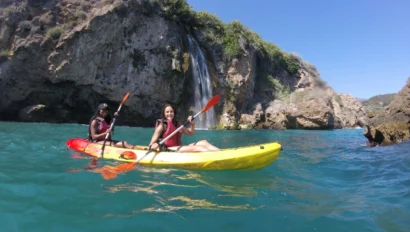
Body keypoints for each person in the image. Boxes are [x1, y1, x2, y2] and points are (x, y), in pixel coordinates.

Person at [148, 104, 220, 152]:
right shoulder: (162, 126)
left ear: (174, 113)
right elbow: (151, 144)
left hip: (178, 147)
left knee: (204, 142)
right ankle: (216, 157)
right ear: (164, 114)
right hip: (168, 149)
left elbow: (190, 133)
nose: (169, 114)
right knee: (199, 148)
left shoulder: (178, 124)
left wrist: (192, 124)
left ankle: (221, 152)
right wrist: (154, 145)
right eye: (167, 112)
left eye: (171, 112)